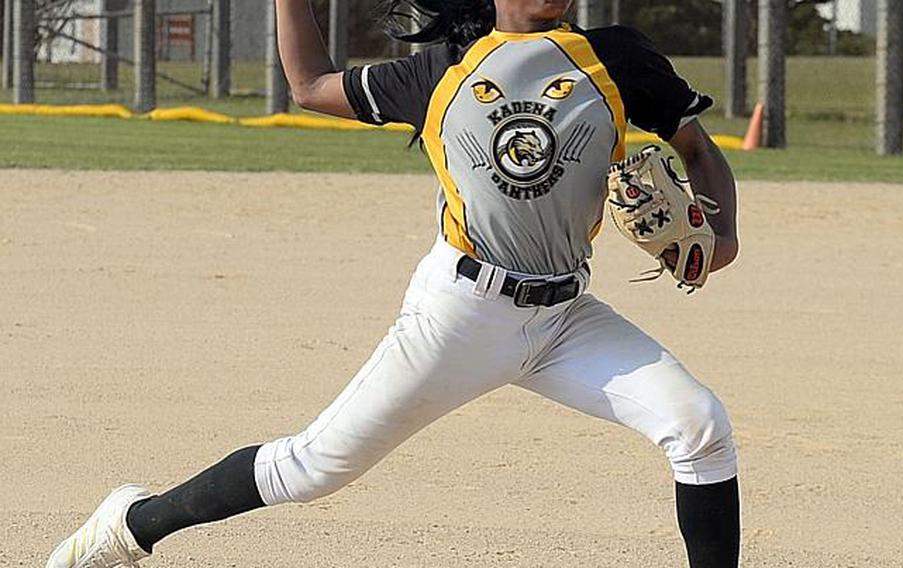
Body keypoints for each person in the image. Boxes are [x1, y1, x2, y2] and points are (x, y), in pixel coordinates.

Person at [46, 1, 741, 567]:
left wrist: (724, 235)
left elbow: (696, 148)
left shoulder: (617, 58)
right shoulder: (441, 72)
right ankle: (131, 525)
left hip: (567, 317)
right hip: (463, 313)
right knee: (315, 468)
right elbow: (311, 86)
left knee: (699, 427)